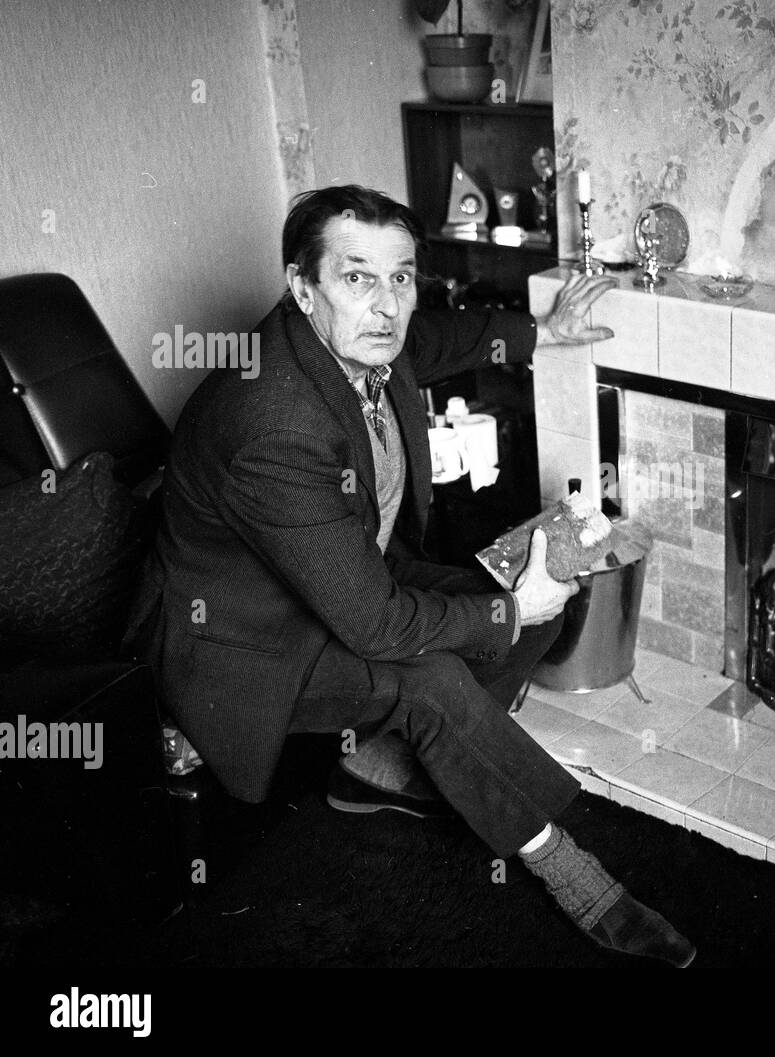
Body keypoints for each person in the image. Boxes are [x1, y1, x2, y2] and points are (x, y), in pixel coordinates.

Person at [126, 185, 695, 967]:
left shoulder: (362, 340)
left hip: (345, 581)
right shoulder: (272, 422)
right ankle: (581, 880)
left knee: (543, 592)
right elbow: (377, 627)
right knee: (436, 676)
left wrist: (543, 330)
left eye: (402, 277)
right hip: (244, 645)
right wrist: (507, 613)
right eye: (357, 277)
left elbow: (432, 340)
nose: (386, 304)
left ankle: (384, 771)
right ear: (301, 287)